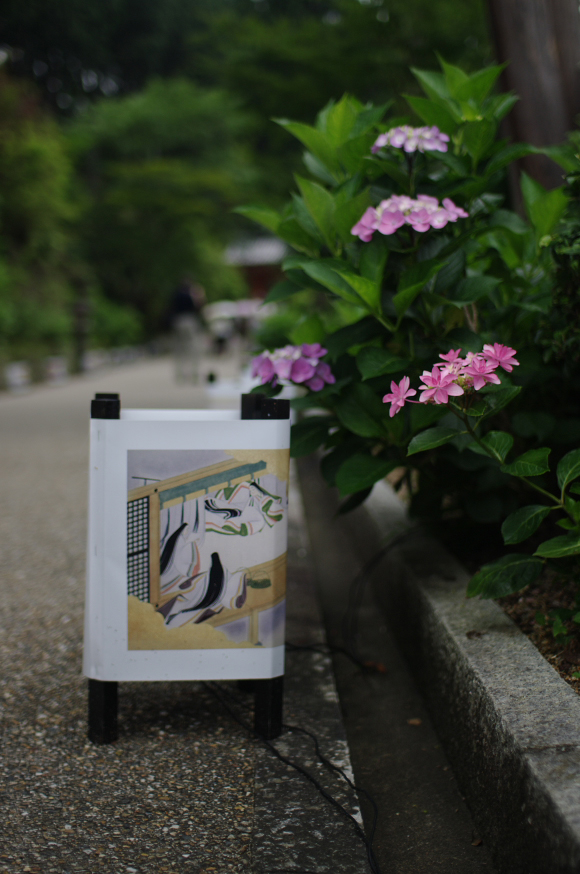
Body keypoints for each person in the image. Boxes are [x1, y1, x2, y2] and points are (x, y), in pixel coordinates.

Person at [169, 277, 205, 383]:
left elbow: (171, 308)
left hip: (178, 321)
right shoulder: (193, 294)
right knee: (193, 348)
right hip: (190, 321)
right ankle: (194, 372)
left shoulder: (175, 294)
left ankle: (180, 374)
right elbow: (199, 307)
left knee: (179, 349)